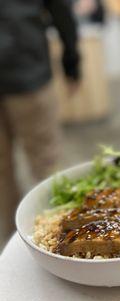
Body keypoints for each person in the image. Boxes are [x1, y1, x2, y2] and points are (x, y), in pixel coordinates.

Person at [0, 0, 81, 244]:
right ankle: (58, 242)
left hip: (26, 69)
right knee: (47, 164)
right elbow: (62, 11)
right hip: (27, 68)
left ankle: (14, 247)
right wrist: (72, 63)